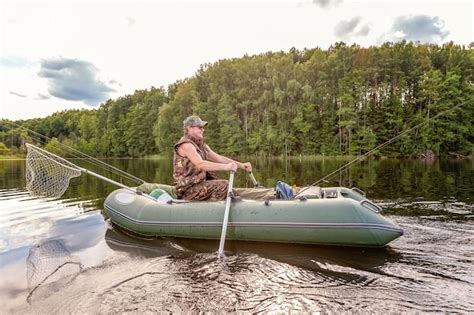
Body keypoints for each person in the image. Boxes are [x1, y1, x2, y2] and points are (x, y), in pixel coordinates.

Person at [173, 115, 252, 201]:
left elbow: (219, 158)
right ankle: (212, 209)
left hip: (199, 185)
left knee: (231, 190)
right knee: (223, 185)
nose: (203, 130)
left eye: (202, 128)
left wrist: (241, 165)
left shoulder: (201, 145)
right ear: (189, 128)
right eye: (199, 127)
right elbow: (200, 164)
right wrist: (226, 167)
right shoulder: (186, 145)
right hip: (186, 190)